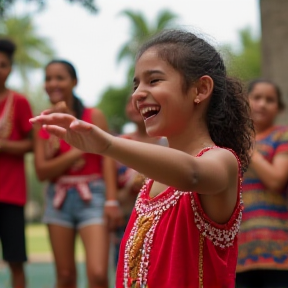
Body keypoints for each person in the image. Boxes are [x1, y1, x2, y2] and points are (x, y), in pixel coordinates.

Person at [30, 29, 254, 288]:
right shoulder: (152, 181)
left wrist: (107, 145)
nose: (137, 94)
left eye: (154, 80)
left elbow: (192, 174)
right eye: (136, 84)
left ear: (200, 89)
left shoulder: (222, 161)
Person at [33, 60, 122, 288]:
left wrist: (111, 201)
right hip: (58, 199)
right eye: (48, 78)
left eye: (59, 78)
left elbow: (107, 160)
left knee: (99, 274)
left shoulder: (94, 116)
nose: (52, 83)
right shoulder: (41, 122)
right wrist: (77, 151)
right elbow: (42, 172)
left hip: (93, 196)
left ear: (74, 82)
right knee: (65, 276)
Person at [236, 79, 288, 288]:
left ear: (279, 107)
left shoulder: (282, 135)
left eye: (270, 100)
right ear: (246, 101)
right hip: (238, 251)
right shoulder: (230, 140)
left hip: (278, 251)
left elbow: (276, 179)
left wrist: (249, 147)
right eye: (256, 97)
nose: (262, 104)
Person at [114, 97, 167, 267]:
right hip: (126, 221)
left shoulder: (168, 142)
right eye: (130, 102)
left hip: (161, 222)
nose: (135, 106)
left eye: (141, 101)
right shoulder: (116, 144)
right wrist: (130, 188)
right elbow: (109, 193)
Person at [0, 38, 33, 288]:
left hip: (11, 195)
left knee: (15, 261)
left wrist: (4, 145)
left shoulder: (19, 102)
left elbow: (33, 144)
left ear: (10, 68)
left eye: (3, 64)